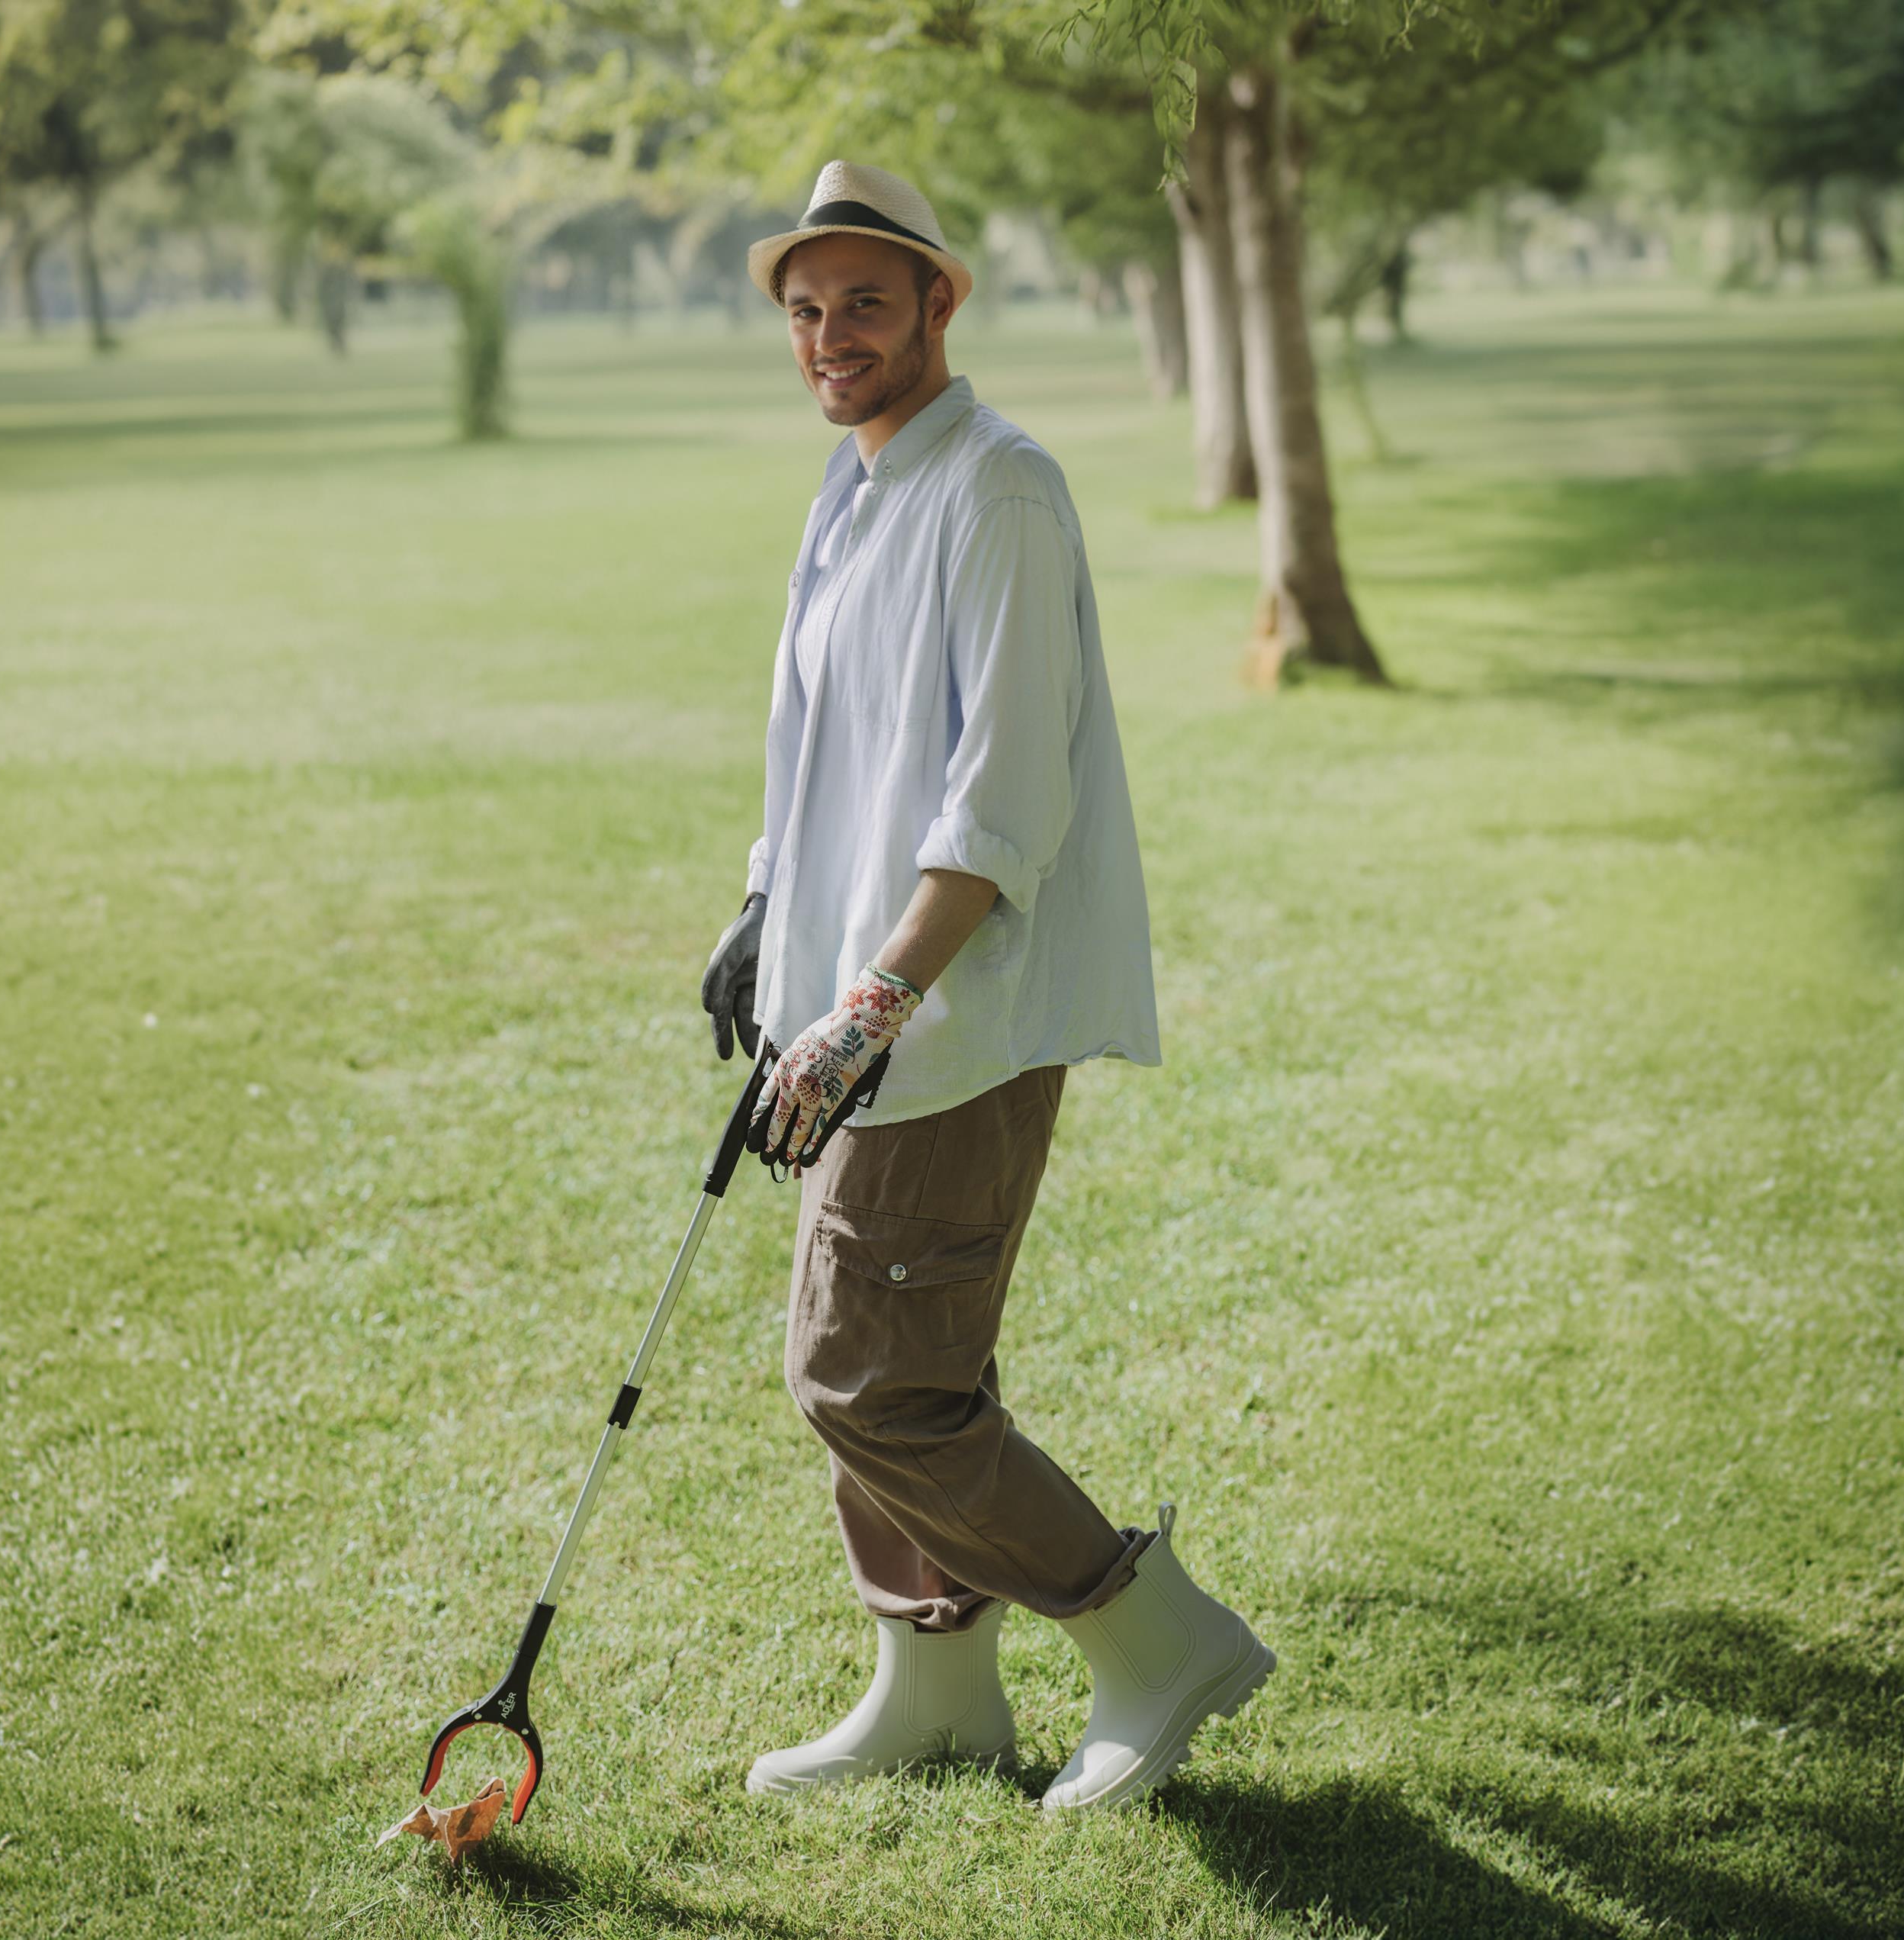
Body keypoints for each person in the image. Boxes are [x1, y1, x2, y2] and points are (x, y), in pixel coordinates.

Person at [699, 160, 1275, 1812]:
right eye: (806, 311)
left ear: (941, 301)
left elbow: (1002, 801)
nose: (830, 337)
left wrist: (868, 1007)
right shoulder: (857, 482)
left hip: (946, 1019)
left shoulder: (997, 488)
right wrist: (763, 905)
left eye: (864, 304)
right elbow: (824, 750)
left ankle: (1154, 1635)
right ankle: (936, 1689)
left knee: (871, 1380)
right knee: (896, 1362)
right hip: (846, 1004)